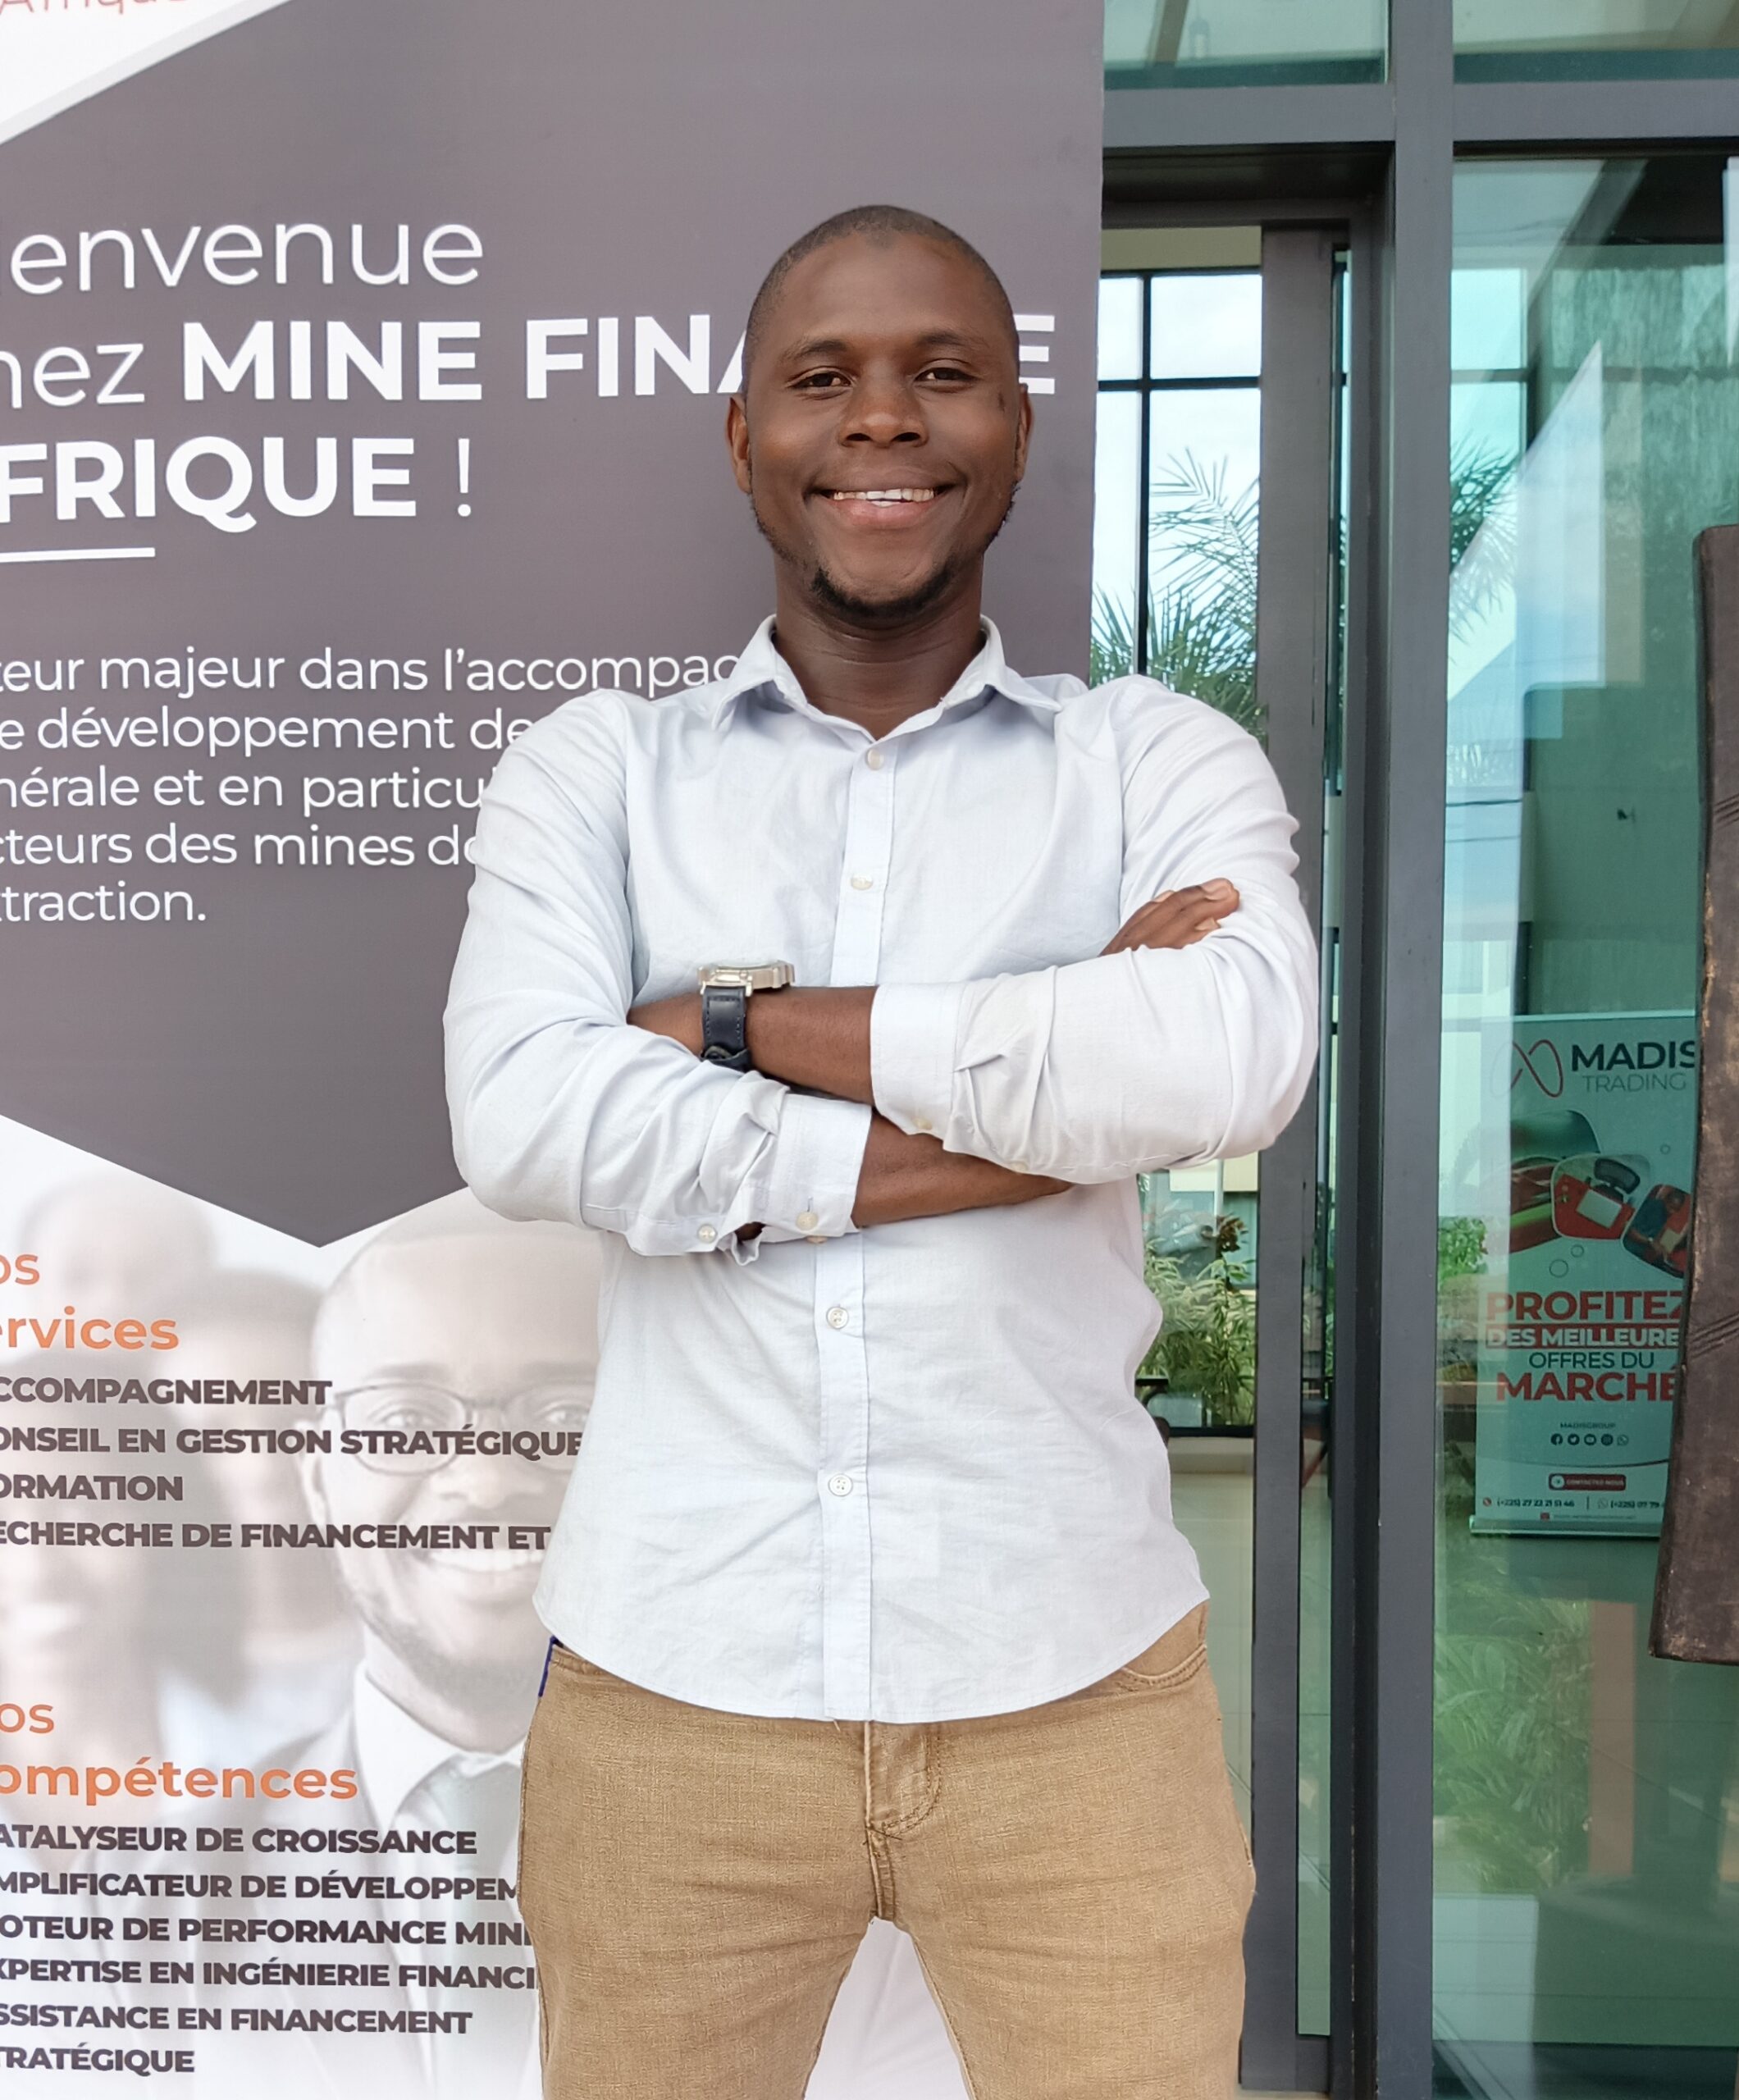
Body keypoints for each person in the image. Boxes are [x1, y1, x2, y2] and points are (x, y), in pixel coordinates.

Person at [445, 203, 1318, 2099]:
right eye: (821, 376)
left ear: (1016, 419)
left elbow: (1229, 1052)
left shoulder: (1154, 758)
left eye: (942, 371)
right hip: (675, 1686)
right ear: (742, 432)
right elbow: (525, 1109)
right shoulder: (595, 769)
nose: (881, 419)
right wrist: (1046, 1076)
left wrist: (731, 1024)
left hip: (1074, 1680)